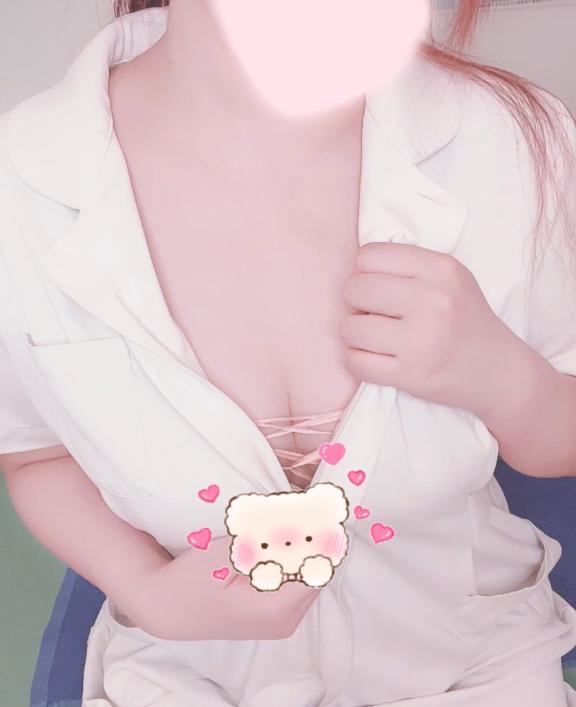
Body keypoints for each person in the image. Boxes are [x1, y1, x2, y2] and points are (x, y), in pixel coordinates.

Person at [1, 1, 576, 705]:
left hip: (476, 664)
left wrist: (504, 377)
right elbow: (35, 452)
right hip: (187, 677)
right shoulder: (19, 188)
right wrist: (146, 590)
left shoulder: (512, 139)